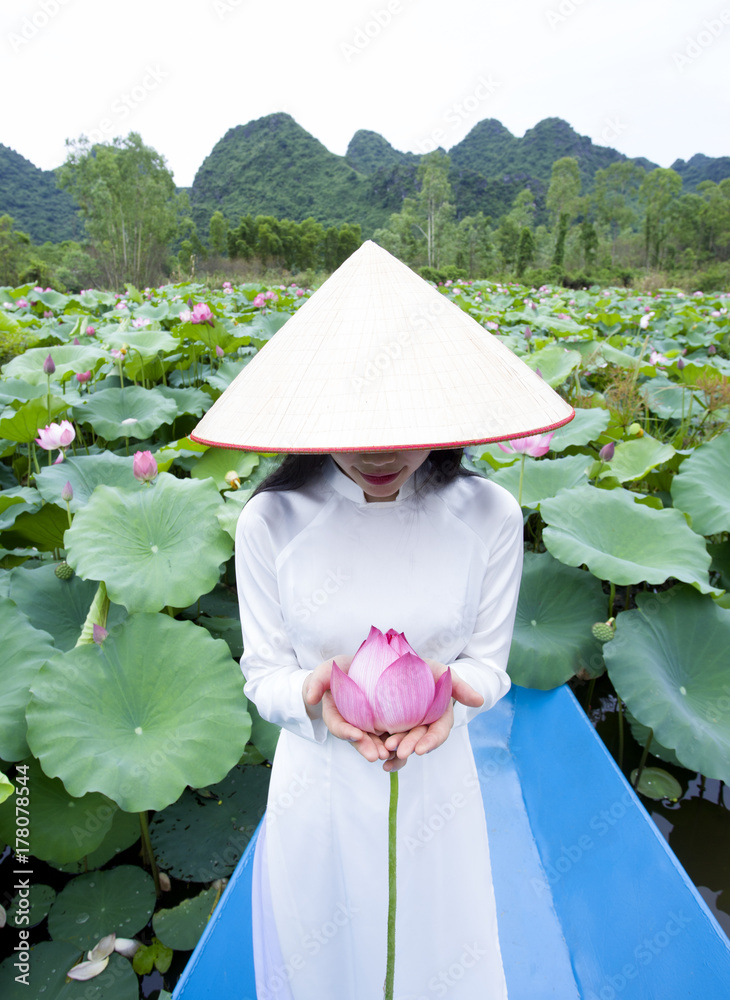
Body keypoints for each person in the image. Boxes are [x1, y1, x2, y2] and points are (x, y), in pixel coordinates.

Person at [191, 241, 573, 999]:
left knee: (441, 955)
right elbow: (263, 675)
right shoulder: (271, 520)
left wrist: (444, 698)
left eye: (406, 423)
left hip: (439, 783)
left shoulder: (490, 514)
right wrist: (316, 697)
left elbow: (486, 668)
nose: (381, 450)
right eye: (357, 424)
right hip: (317, 787)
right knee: (324, 964)